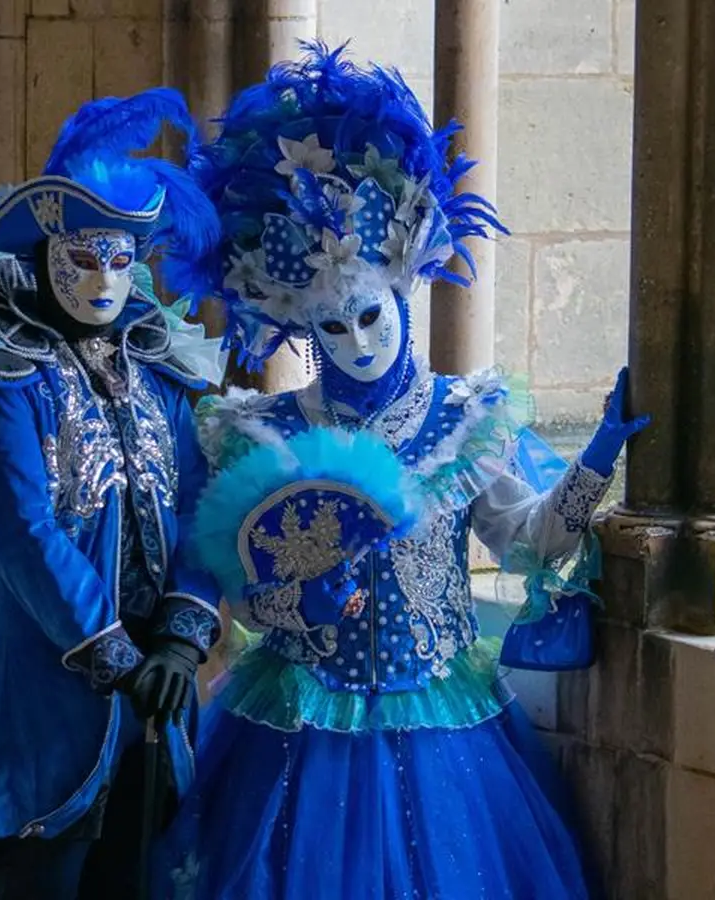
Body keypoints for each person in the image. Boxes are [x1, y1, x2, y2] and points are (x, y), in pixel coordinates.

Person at [154, 44, 650, 899]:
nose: (359, 340)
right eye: (333, 327)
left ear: (402, 295)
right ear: (303, 328)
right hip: (298, 720)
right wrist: (297, 607)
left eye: (370, 315)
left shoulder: (463, 420)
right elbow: (247, 589)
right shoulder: (265, 435)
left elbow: (530, 540)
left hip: (442, 723)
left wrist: (601, 454)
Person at [0, 88, 226, 900]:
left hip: (161, 682)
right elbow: (22, 533)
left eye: (120, 259)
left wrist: (180, 640)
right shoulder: (2, 384)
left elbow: (201, 506)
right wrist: (116, 655)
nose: (104, 278)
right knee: (45, 870)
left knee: (143, 867)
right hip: (60, 677)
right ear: (45, 256)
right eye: (84, 258)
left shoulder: (161, 377)